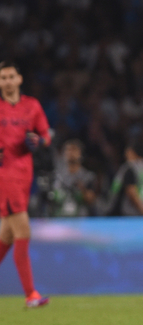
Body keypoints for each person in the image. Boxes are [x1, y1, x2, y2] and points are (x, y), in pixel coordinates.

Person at [0, 61, 51, 307]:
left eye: (11, 76)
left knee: (6, 236)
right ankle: (31, 294)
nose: (7, 81)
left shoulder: (32, 106)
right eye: (3, 78)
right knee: (23, 231)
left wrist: (37, 141)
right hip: (3, 177)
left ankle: (31, 294)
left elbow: (46, 135)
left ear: (20, 79)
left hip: (24, 177)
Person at [104, 141, 143, 216]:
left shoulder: (129, 168)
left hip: (128, 214)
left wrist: (142, 209)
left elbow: (130, 190)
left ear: (131, 152)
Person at [51, 139, 97, 217]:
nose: (70, 153)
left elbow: (91, 200)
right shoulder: (57, 176)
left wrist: (83, 189)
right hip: (60, 219)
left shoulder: (88, 176)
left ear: (80, 153)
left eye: (74, 150)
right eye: (67, 150)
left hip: (81, 219)